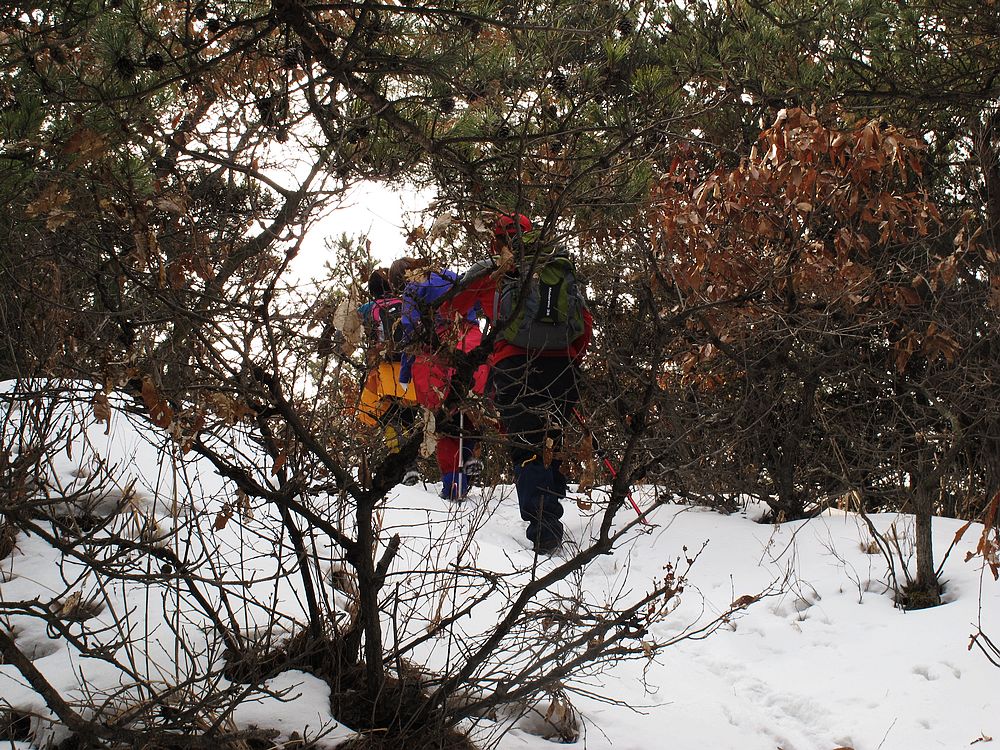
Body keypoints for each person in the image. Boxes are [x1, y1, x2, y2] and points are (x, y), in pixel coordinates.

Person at [435, 214, 592, 553]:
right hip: (561, 365)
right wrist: (569, 356)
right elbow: (584, 321)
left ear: (496, 240)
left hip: (514, 365)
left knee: (526, 444)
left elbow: (450, 307)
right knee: (552, 437)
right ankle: (550, 500)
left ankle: (544, 523)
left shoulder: (493, 269)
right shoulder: (556, 263)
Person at [391, 258, 486, 500]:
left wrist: (404, 375)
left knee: (442, 420)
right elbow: (473, 297)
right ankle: (471, 455)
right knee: (470, 408)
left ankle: (454, 484)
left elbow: (410, 332)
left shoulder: (412, 290)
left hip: (435, 355)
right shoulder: (449, 276)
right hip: (471, 343)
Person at [355, 267, 421, 486]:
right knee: (409, 418)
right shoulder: (405, 303)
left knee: (390, 420)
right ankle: (411, 464)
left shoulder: (369, 308)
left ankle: (403, 465)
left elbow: (350, 322)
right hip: (408, 367)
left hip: (383, 369)